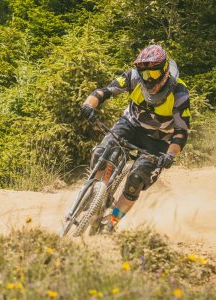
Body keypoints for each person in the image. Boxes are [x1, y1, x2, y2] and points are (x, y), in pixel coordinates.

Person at [80, 44, 190, 233]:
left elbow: (181, 132)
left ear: (164, 71)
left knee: (136, 180)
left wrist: (171, 155)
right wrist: (89, 104)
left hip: (159, 140)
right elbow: (105, 91)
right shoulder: (133, 77)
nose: (148, 80)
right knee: (100, 154)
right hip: (130, 125)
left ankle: (112, 222)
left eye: (153, 74)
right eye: (144, 74)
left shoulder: (179, 93)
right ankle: (96, 196)